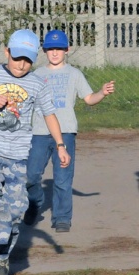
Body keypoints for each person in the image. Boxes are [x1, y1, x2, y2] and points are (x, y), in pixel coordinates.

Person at [0, 29, 71, 275]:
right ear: (7, 52)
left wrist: (60, 145)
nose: (21, 64)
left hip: (17, 155)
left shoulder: (37, 83)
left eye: (27, 59)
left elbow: (50, 115)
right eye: (17, 57)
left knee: (15, 209)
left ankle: (1, 256)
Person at [24, 30, 115, 232]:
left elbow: (89, 99)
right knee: (31, 176)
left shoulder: (74, 74)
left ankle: (62, 217)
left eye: (59, 49)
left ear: (67, 50)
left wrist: (102, 92)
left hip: (65, 132)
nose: (54, 53)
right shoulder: (37, 75)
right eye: (50, 49)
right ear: (44, 51)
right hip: (39, 132)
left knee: (63, 178)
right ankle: (34, 204)